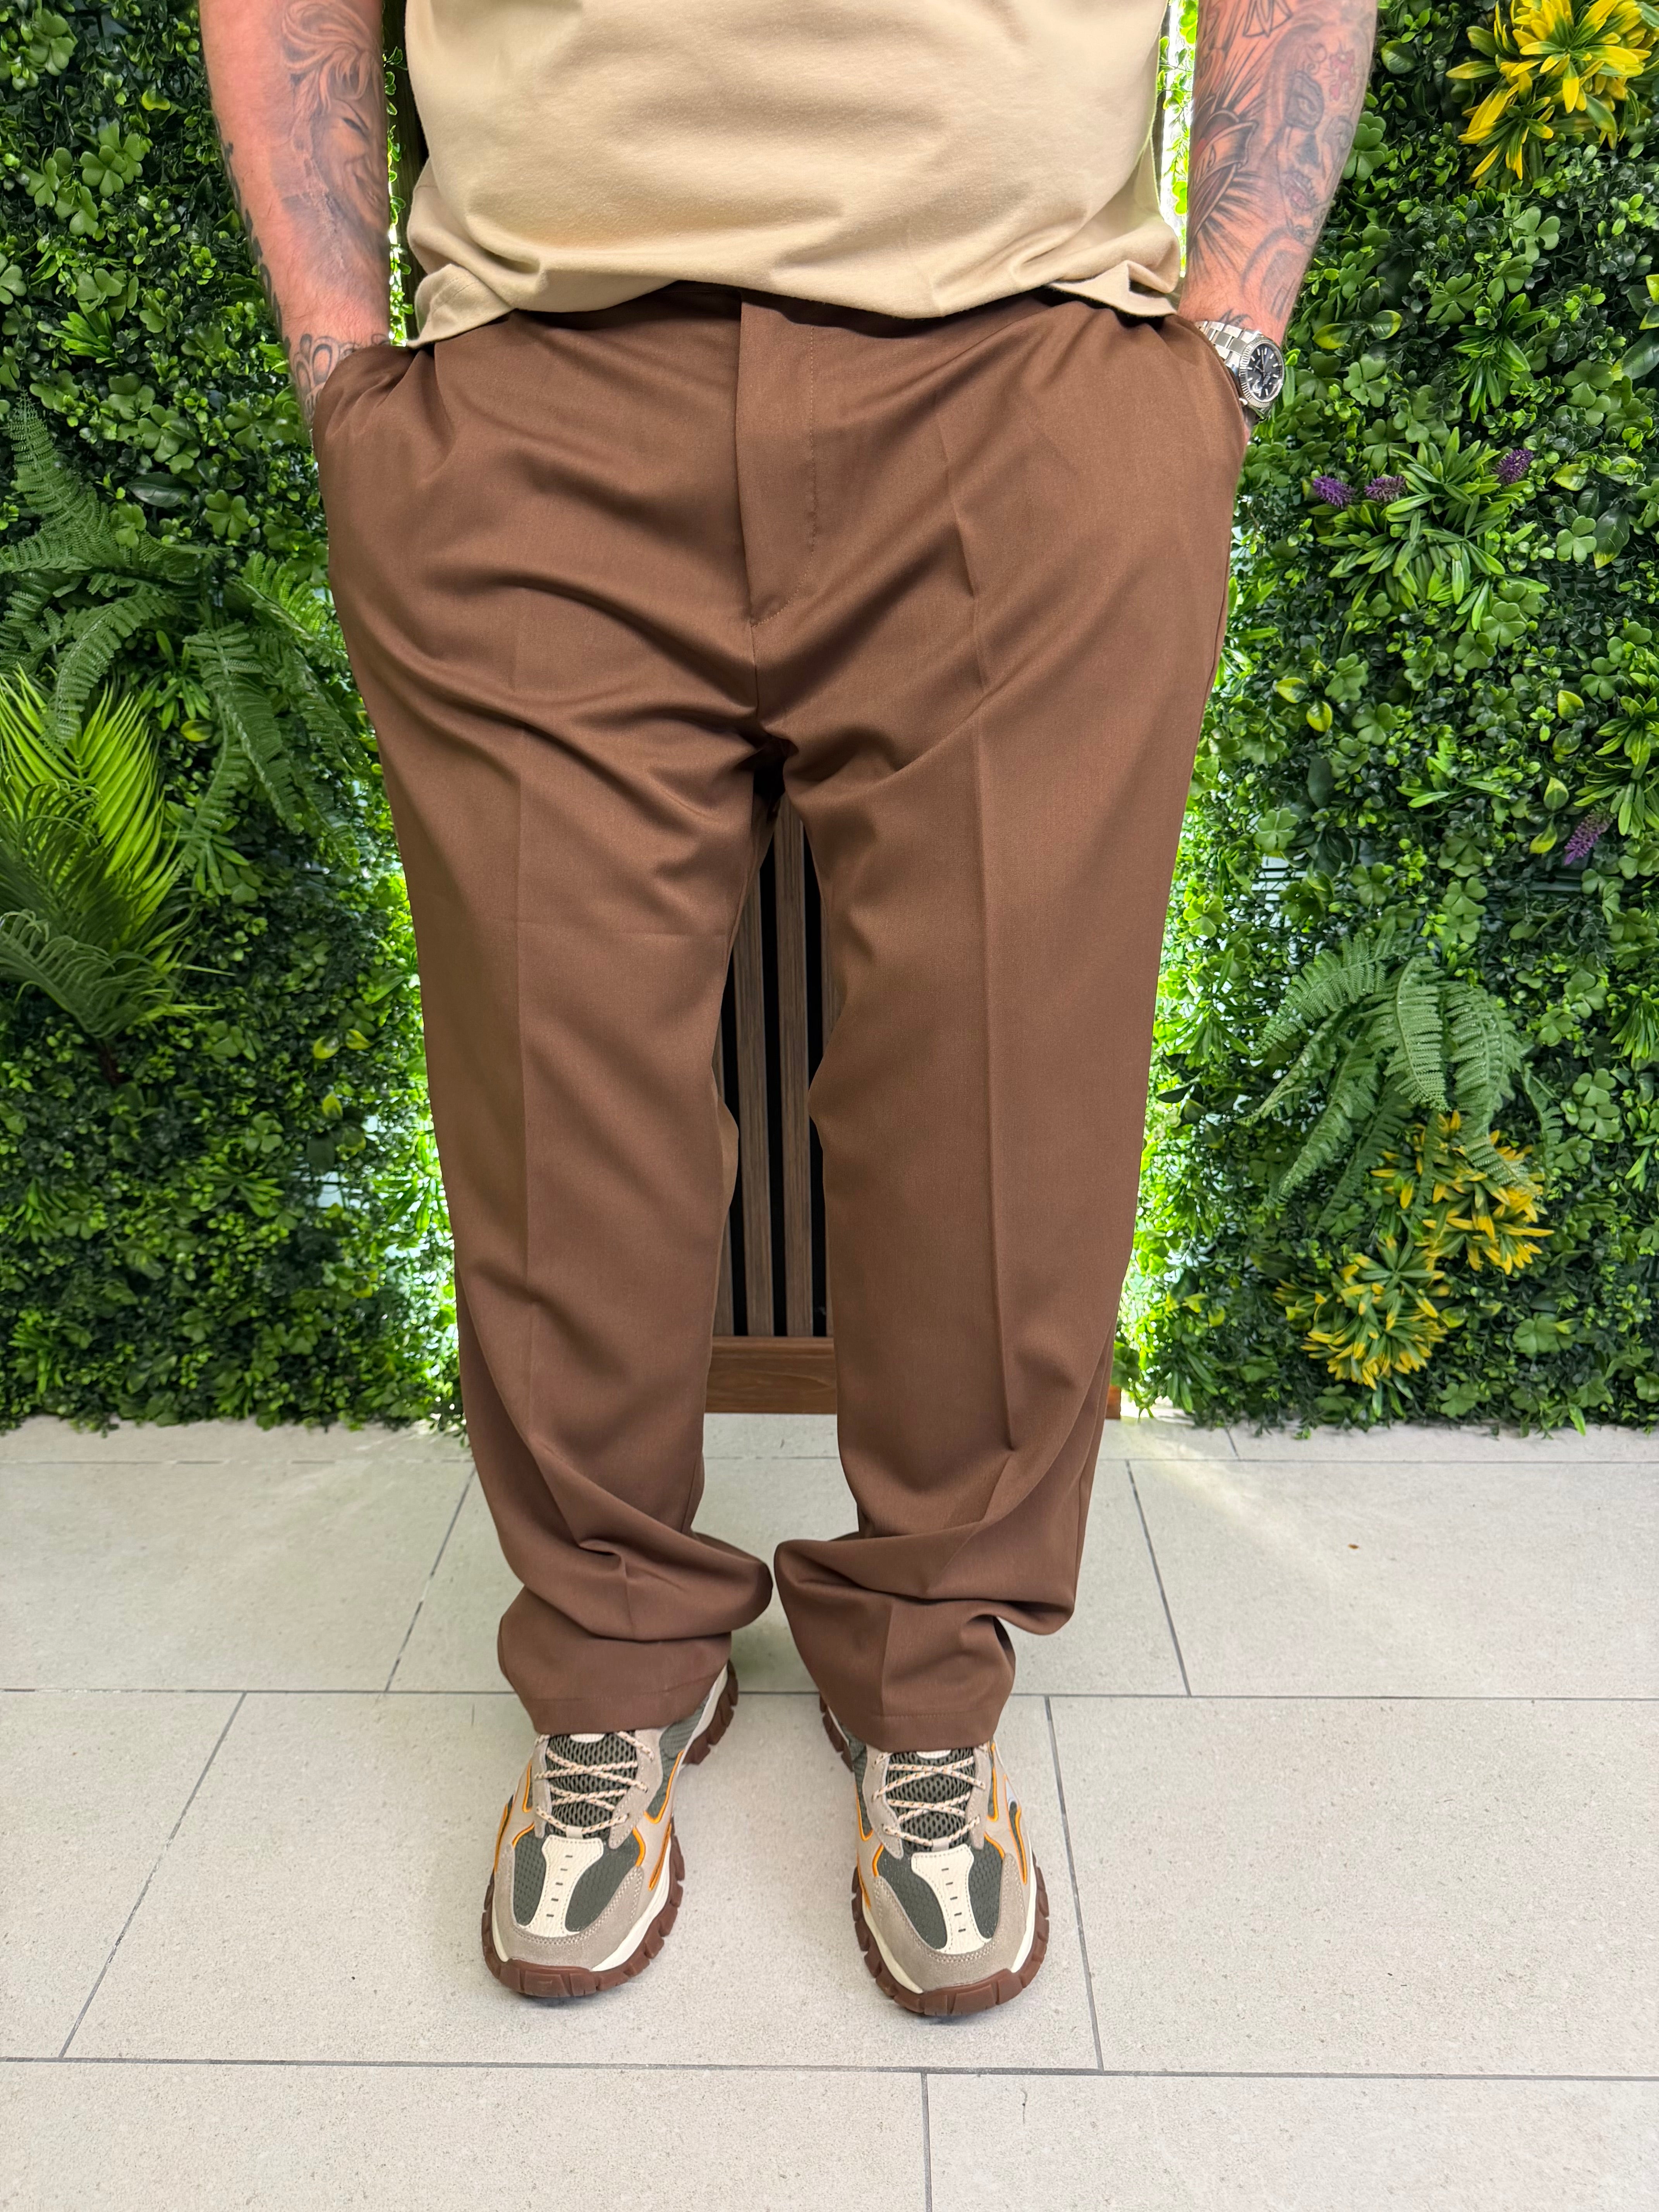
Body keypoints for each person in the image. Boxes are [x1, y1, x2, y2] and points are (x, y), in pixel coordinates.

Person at [201, 0, 1376, 2016]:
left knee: (1005, 1114)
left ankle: (929, 1684)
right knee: (556, 1105)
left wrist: (1225, 351)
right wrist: (341, 368)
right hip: (535, 398)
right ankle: (612, 1666)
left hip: (1025, 379)